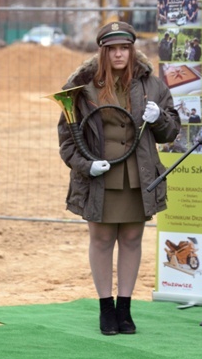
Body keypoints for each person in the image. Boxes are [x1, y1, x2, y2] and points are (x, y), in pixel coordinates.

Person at [57, 21, 180, 335]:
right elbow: (67, 139)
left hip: (137, 173)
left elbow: (171, 131)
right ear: (103, 51)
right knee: (100, 240)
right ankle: (105, 308)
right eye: (112, 49)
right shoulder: (82, 87)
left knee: (131, 239)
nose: (119, 54)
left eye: (124, 47)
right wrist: (86, 165)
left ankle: (124, 309)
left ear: (132, 49)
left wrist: (159, 118)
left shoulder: (152, 85)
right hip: (100, 174)